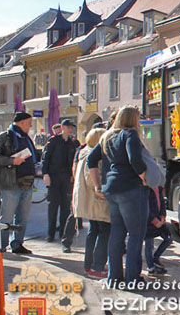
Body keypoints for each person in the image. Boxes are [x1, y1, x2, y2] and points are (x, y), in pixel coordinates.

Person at [89, 106, 147, 285]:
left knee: (117, 233)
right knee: (136, 235)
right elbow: (135, 160)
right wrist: (144, 178)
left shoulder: (107, 136)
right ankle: (132, 278)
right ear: (133, 119)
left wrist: (97, 185)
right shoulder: (130, 135)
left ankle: (114, 276)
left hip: (111, 188)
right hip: (130, 188)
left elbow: (91, 159)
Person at [0, 112, 38, 254]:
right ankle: (1, 245)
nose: (31, 125)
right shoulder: (5, 136)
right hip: (10, 182)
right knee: (6, 216)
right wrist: (12, 161)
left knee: (23, 217)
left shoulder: (26, 138)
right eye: (29, 122)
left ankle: (18, 244)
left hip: (26, 182)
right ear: (22, 122)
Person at [72, 128, 110, 278]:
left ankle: (89, 265)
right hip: (96, 200)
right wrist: (102, 190)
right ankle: (96, 267)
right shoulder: (93, 155)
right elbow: (91, 178)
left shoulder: (84, 152)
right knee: (104, 232)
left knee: (93, 231)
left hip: (89, 200)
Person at [43, 119, 80, 248]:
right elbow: (45, 158)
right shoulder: (53, 141)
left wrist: (73, 175)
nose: (70, 130)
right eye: (68, 127)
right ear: (63, 127)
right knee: (53, 206)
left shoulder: (73, 143)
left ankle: (63, 233)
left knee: (65, 207)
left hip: (67, 178)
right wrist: (45, 174)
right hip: (54, 177)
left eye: (72, 127)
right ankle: (50, 233)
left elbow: (76, 160)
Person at [144, 187, 172, 276]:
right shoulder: (145, 190)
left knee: (168, 238)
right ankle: (151, 268)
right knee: (149, 245)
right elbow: (145, 208)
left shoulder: (159, 189)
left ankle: (155, 258)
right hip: (148, 222)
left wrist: (163, 215)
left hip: (159, 220)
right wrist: (154, 220)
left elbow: (162, 204)